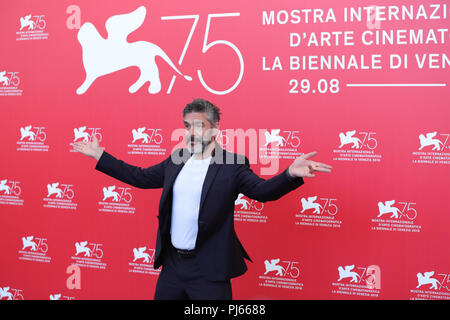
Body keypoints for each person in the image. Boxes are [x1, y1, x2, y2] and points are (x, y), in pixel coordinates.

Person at [73, 98, 332, 300]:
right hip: (173, 266)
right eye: (187, 126)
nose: (191, 132)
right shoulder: (177, 159)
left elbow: (261, 191)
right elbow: (140, 177)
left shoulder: (232, 164)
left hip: (208, 269)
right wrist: (101, 157)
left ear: (215, 129)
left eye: (199, 126)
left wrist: (289, 174)